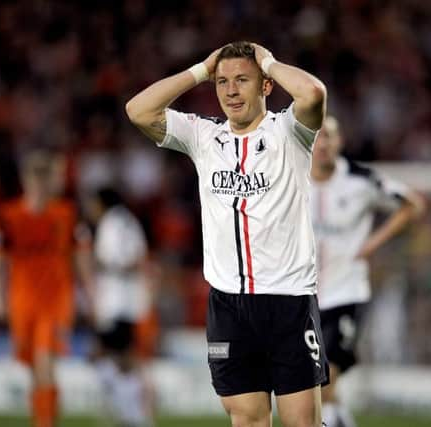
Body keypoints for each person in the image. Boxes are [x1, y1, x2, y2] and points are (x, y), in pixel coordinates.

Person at [126, 41, 328, 427]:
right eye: (222, 82)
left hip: (288, 302)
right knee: (247, 420)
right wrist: (200, 70)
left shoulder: (290, 132)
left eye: (242, 80)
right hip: (229, 308)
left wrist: (268, 61)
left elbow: (313, 92)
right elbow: (138, 110)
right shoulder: (203, 137)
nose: (231, 91)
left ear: (266, 86)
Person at [310, 116, 426, 427]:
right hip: (302, 297)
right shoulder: (291, 179)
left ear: (340, 142)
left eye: (329, 137)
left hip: (346, 292)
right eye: (317, 137)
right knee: (321, 389)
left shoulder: (361, 180)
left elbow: (413, 205)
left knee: (325, 378)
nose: (322, 144)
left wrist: (374, 243)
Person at [0, 148, 95, 427]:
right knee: (34, 367)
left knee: (45, 360)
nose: (39, 183)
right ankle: (42, 418)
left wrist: (92, 295)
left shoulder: (66, 214)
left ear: (50, 179)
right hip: (22, 300)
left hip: (57, 299)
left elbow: (81, 257)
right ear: (25, 179)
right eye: (34, 176)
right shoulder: (8, 216)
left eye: (43, 176)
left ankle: (45, 423)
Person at [85, 187, 158, 427]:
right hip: (131, 301)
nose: (90, 209)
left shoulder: (110, 224)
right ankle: (132, 412)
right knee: (124, 358)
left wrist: (96, 265)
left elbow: (121, 261)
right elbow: (138, 258)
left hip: (115, 302)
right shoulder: (129, 221)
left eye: (93, 203)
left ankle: (133, 413)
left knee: (107, 356)